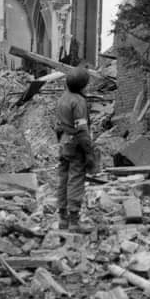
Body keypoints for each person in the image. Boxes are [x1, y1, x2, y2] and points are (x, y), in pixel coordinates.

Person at [56, 66, 96, 233]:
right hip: (76, 144)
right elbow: (82, 129)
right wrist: (89, 152)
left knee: (63, 179)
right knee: (76, 179)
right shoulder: (78, 102)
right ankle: (74, 221)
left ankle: (62, 219)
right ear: (82, 85)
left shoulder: (62, 99)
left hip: (63, 143)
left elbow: (58, 126)